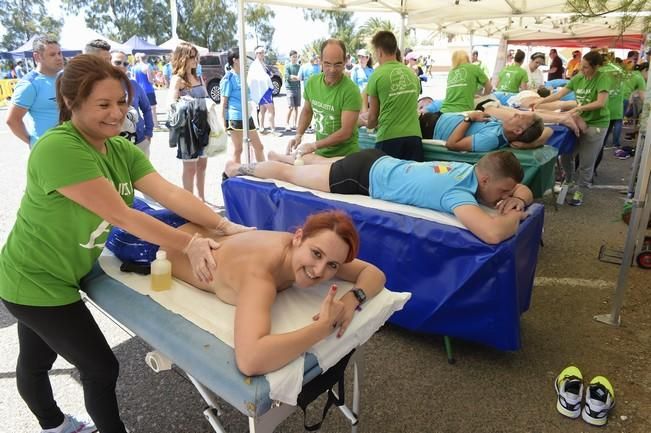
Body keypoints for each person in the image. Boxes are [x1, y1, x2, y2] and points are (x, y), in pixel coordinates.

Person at [0, 54, 252, 433]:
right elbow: (124, 216)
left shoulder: (117, 149)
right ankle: (76, 427)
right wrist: (190, 244)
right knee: (98, 366)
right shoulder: (59, 148)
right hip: (32, 280)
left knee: (36, 357)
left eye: (121, 102)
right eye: (103, 104)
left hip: (66, 273)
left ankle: (52, 425)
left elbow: (168, 192)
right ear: (72, 102)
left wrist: (222, 224)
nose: (116, 113)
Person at [148, 210, 385, 375]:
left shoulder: (309, 248)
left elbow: (374, 273)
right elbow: (251, 359)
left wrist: (351, 300)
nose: (319, 270)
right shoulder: (260, 275)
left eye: (333, 265)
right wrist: (322, 327)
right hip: (149, 242)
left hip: (190, 228)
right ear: (299, 237)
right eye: (316, 254)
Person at [225, 149, 533, 245]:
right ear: (486, 179)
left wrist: (517, 197)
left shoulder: (468, 170)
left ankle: (293, 156)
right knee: (288, 175)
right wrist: (513, 215)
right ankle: (243, 167)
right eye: (502, 191)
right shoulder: (457, 194)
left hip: (378, 161)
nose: (502, 198)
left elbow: (524, 190)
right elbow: (493, 233)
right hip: (362, 176)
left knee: (318, 167)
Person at [534, 51, 610, 206]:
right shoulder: (578, 78)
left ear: (596, 67)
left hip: (597, 124)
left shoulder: (602, 78)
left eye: (586, 67)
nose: (582, 70)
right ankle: (569, 181)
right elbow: (560, 95)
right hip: (579, 120)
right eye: (582, 66)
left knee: (586, 161)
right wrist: (540, 102)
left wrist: (577, 109)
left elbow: (601, 103)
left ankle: (580, 190)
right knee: (566, 154)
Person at [286, 39, 362, 159]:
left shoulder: (351, 90)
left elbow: (345, 132)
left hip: (345, 156)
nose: (332, 70)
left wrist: (314, 146)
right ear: (320, 61)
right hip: (321, 154)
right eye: (327, 64)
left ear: (345, 62)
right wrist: (298, 135)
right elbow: (307, 111)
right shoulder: (312, 83)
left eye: (337, 64)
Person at [363, 30, 423, 161]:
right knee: (412, 180)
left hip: (388, 138)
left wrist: (367, 125)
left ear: (379, 51)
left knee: (386, 180)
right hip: (414, 138)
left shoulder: (377, 75)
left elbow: (373, 117)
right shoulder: (412, 75)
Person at [168, 42, 212, 200]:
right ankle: (189, 202)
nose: (195, 60)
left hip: (203, 126)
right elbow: (171, 105)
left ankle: (202, 199)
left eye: (196, 56)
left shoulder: (198, 76)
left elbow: (207, 97)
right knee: (190, 168)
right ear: (182, 58)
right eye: (192, 57)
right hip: (187, 129)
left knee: (202, 165)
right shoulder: (177, 80)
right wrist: (189, 102)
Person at [5, 36, 63, 149]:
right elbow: (12, 120)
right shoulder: (29, 84)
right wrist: (34, 142)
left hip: (71, 145)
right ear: (37, 57)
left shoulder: (66, 77)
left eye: (59, 53)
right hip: (47, 149)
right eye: (52, 54)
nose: (59, 58)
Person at [419, 109, 546, 152]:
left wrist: (470, 118)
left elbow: (452, 144)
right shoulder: (502, 128)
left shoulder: (491, 139)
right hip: (437, 118)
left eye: (520, 117)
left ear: (518, 131)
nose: (515, 114)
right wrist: (529, 145)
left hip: (431, 127)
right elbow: (549, 130)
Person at [219, 48, 265, 163]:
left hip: (247, 116)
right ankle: (233, 175)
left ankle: (263, 172)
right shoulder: (228, 78)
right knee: (238, 149)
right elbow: (223, 103)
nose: (245, 59)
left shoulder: (245, 75)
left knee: (259, 147)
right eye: (242, 57)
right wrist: (223, 123)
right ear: (235, 60)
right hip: (235, 117)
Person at [111, 50, 154, 158]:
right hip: (113, 144)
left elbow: (147, 108)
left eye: (125, 63)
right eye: (117, 62)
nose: (122, 66)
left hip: (139, 141)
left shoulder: (133, 84)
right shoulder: (100, 86)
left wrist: (148, 133)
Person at [250, 46, 277, 134]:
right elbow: (253, 78)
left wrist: (269, 75)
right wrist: (267, 78)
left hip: (265, 90)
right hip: (262, 90)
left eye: (263, 52)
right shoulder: (255, 65)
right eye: (260, 53)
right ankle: (272, 129)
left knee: (263, 110)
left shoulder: (262, 64)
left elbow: (267, 75)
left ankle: (261, 127)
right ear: (256, 54)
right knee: (271, 110)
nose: (262, 54)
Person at [133, 52, 160, 129]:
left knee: (141, 109)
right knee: (152, 108)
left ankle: (142, 125)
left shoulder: (135, 67)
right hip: (148, 90)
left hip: (139, 90)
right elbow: (150, 80)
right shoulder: (147, 66)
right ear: (146, 58)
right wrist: (155, 80)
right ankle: (155, 125)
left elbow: (134, 79)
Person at [284, 49, 302, 131]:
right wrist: (296, 78)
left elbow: (300, 77)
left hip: (297, 88)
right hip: (290, 89)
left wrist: (294, 77)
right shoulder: (287, 66)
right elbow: (288, 77)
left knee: (296, 108)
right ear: (290, 57)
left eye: (296, 57)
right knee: (291, 107)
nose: (295, 58)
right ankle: (287, 124)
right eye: (293, 57)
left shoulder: (299, 67)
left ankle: (294, 124)